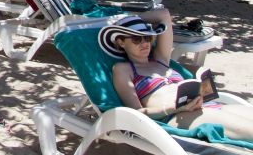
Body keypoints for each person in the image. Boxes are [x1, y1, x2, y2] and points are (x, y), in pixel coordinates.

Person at [101, 12, 253, 139]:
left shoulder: (160, 60)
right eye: (136, 39)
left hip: (204, 106)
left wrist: (128, 17)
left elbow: (164, 15)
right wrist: (173, 108)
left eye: (147, 38)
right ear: (121, 42)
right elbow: (136, 114)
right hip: (176, 116)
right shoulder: (123, 69)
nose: (145, 43)